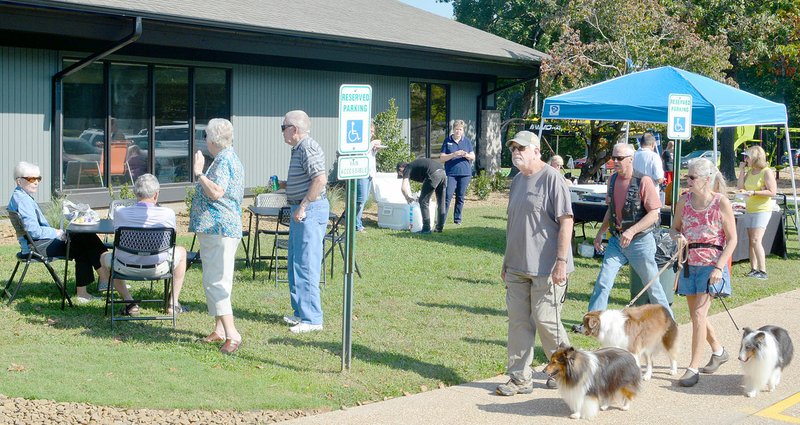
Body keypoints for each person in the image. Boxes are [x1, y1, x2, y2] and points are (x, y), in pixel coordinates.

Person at [496, 131, 574, 395]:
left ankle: (566, 371)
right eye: (513, 147)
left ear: (536, 151)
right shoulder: (517, 180)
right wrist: (506, 262)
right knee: (518, 324)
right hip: (517, 266)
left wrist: (561, 262)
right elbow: (513, 224)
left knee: (546, 322)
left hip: (547, 269)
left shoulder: (553, 180)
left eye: (521, 147)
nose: (516, 151)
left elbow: (566, 221)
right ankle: (520, 379)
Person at [584, 143, 672, 318]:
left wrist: (631, 231)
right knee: (603, 281)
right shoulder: (612, 179)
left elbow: (654, 214)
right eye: (613, 157)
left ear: (631, 159)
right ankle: (592, 322)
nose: (615, 161)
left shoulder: (644, 181)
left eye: (619, 158)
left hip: (640, 242)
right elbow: (611, 211)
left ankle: (670, 323)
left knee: (652, 286)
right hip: (616, 241)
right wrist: (601, 232)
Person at [670, 158, 737, 387]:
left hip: (711, 265)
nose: (687, 181)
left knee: (698, 316)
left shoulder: (721, 203)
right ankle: (718, 350)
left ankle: (692, 368)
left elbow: (733, 239)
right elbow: (674, 228)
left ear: (706, 179)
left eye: (691, 177)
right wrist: (677, 236)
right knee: (696, 316)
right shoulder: (683, 201)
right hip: (689, 263)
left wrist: (719, 267)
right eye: (687, 176)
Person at [7, 161, 109, 304]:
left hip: (34, 244)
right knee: (84, 240)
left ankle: (95, 285)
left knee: (84, 238)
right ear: (19, 181)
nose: (36, 182)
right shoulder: (23, 200)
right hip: (37, 246)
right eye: (31, 179)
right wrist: (56, 232)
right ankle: (103, 280)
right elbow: (34, 231)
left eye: (38, 179)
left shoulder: (20, 196)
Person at [190, 118, 244, 354]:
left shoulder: (223, 161)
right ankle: (219, 329)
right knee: (216, 278)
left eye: (205, 137)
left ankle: (232, 334)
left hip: (219, 229)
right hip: (220, 229)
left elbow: (216, 192)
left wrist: (199, 173)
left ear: (212, 140)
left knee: (217, 282)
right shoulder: (228, 157)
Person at [99, 174, 188, 316]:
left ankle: (129, 302)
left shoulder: (120, 212)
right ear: (156, 194)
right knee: (182, 252)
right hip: (159, 267)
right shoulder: (168, 213)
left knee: (104, 256)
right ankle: (173, 303)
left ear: (135, 193)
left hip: (124, 267)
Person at [280, 110, 329, 333]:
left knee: (307, 263)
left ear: (294, 129)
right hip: (301, 209)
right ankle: (300, 312)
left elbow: (320, 179)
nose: (282, 132)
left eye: (283, 127)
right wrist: (284, 185)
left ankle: (312, 319)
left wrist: (303, 206)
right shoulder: (298, 149)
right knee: (295, 261)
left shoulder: (307, 147)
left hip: (310, 210)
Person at [736, 145, 777, 279]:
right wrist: (742, 170)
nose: (745, 159)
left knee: (756, 239)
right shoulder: (750, 171)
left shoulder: (766, 172)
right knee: (751, 240)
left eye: (747, 156)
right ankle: (753, 269)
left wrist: (754, 192)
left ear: (754, 157)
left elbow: (772, 192)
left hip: (762, 210)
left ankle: (763, 270)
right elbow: (740, 187)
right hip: (749, 209)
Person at [396, 158, 447, 234]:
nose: (402, 175)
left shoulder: (407, 168)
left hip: (433, 174)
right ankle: (439, 227)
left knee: (423, 201)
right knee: (441, 202)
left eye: (400, 173)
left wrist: (407, 198)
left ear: (401, 169)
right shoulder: (414, 166)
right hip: (443, 173)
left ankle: (426, 229)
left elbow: (403, 188)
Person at [439, 120, 475, 225]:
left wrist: (466, 155)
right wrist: (454, 154)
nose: (458, 131)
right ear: (453, 130)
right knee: (447, 196)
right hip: (451, 173)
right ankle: (442, 219)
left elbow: (473, 156)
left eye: (460, 129)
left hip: (465, 173)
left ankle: (457, 219)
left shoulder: (467, 141)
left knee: (460, 196)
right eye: (456, 129)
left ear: (463, 130)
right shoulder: (447, 141)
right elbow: (441, 158)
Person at [355, 123, 381, 232]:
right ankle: (356, 224)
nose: (372, 134)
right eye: (370, 131)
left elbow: (370, 156)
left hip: (370, 173)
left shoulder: (369, 144)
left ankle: (356, 221)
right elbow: (360, 155)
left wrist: (375, 149)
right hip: (361, 174)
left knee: (363, 200)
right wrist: (371, 145)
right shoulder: (359, 142)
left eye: (373, 131)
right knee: (361, 200)